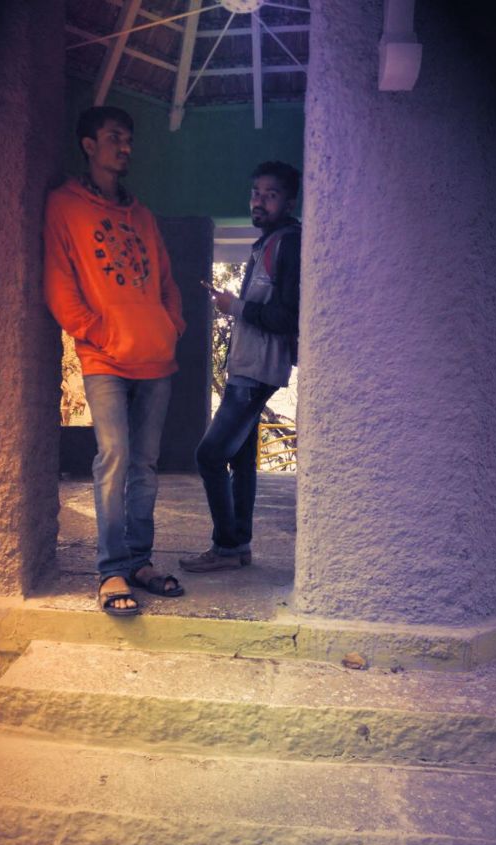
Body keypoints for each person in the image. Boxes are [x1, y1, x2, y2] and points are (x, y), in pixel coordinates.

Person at [44, 106, 186, 616]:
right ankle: (111, 570)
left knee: (145, 464)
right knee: (114, 458)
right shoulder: (64, 205)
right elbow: (59, 284)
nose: (125, 147)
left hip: (156, 358)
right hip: (104, 357)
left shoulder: (142, 215)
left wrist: (171, 326)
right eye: (114, 138)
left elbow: (166, 280)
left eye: (128, 139)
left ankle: (140, 562)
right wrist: (98, 332)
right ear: (88, 145)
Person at [180, 161, 301, 572]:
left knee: (209, 456)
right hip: (249, 368)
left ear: (289, 202)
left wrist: (235, 307)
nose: (259, 201)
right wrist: (235, 306)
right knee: (241, 460)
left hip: (256, 371)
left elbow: (287, 316)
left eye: (271, 195)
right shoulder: (267, 243)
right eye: (256, 193)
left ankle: (226, 546)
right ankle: (239, 546)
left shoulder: (287, 244)